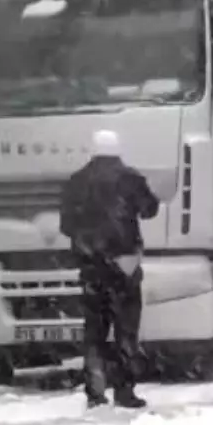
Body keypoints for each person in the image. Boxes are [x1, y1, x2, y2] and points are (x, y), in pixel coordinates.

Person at [59, 129, 159, 409]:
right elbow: (150, 209)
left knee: (94, 331)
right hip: (124, 263)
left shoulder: (75, 182)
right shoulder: (131, 178)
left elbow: (66, 226)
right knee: (126, 329)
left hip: (91, 266)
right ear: (118, 150)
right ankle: (124, 390)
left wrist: (91, 241)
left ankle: (95, 390)